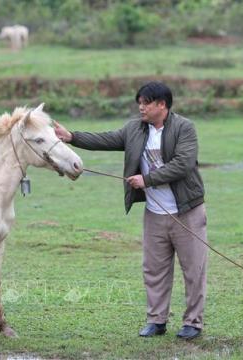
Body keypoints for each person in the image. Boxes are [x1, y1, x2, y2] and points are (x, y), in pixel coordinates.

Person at [54, 81, 207, 340]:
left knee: (193, 270)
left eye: (146, 102)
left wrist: (146, 180)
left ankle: (193, 322)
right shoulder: (135, 129)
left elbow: (184, 164)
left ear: (162, 105)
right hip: (154, 214)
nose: (141, 107)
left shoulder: (184, 128)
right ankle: (156, 321)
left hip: (186, 212)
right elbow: (106, 139)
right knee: (154, 270)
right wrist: (73, 137)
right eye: (140, 102)